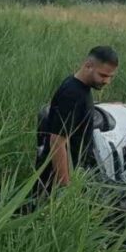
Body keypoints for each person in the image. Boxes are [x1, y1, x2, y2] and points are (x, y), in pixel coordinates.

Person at [35, 46, 119, 195]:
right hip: (55, 178)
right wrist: (65, 186)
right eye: (103, 75)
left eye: (110, 77)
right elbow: (57, 142)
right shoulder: (72, 94)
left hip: (71, 171)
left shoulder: (80, 88)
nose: (107, 81)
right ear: (88, 65)